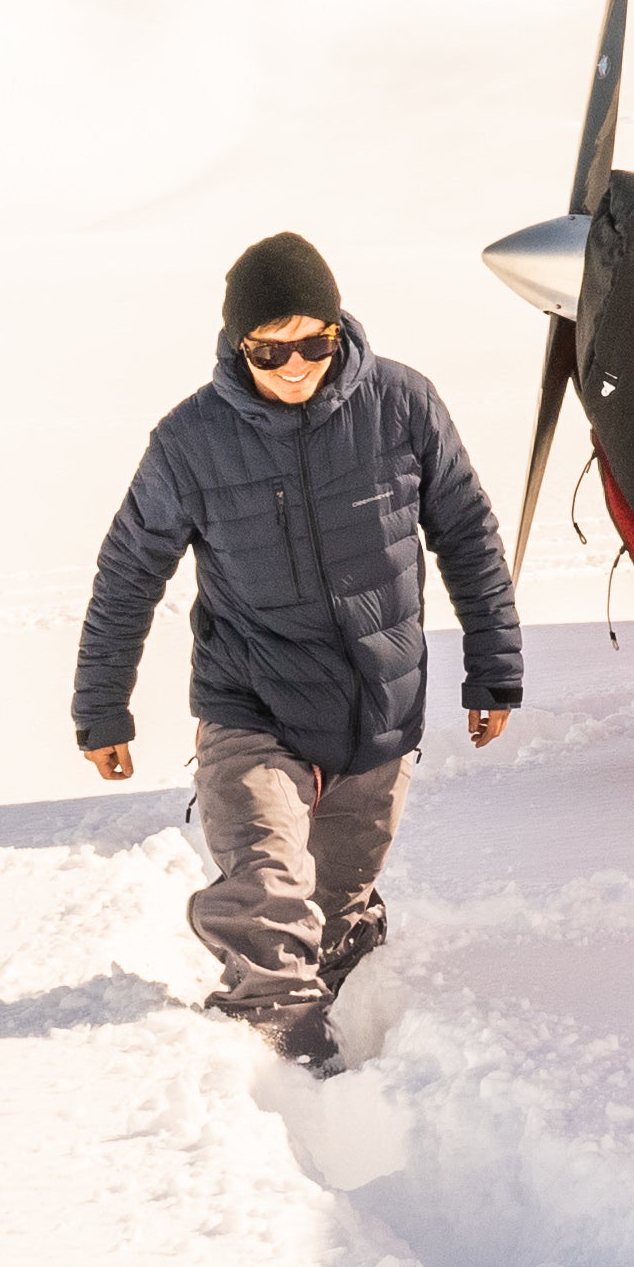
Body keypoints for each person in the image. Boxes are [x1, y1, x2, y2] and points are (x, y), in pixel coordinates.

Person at [73, 230, 525, 1074]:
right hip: (253, 702)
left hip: (375, 706)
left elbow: (465, 533)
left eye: (313, 342)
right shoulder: (190, 441)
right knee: (269, 886)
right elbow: (130, 571)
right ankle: (285, 1038)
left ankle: (346, 942)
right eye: (270, 348)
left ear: (337, 328)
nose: (294, 365)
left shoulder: (402, 404)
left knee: (335, 908)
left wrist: (494, 666)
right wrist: (102, 707)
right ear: (239, 345)